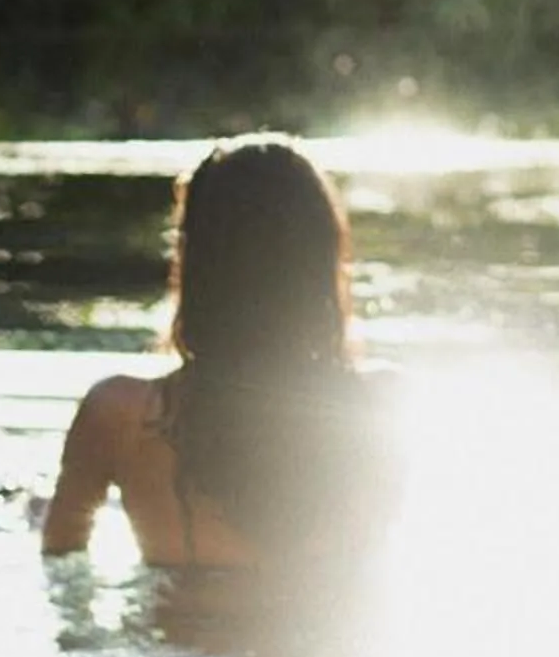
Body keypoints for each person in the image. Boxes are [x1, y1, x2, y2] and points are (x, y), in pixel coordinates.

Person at [43, 136, 391, 566]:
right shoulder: (387, 409)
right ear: (322, 260)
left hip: (177, 631)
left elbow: (60, 564)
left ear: (194, 259)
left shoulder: (119, 415)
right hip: (331, 635)